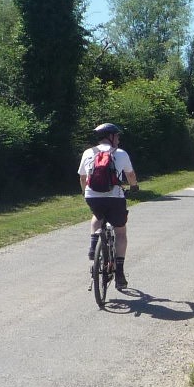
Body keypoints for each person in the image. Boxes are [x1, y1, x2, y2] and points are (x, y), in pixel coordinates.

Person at [79, 123, 138, 290]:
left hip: (93, 196)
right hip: (115, 197)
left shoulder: (88, 153)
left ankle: (93, 246)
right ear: (111, 136)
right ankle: (119, 272)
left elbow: (83, 178)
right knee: (120, 232)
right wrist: (134, 187)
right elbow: (131, 175)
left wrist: (86, 193)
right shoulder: (120, 153)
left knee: (97, 216)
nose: (118, 139)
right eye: (117, 136)